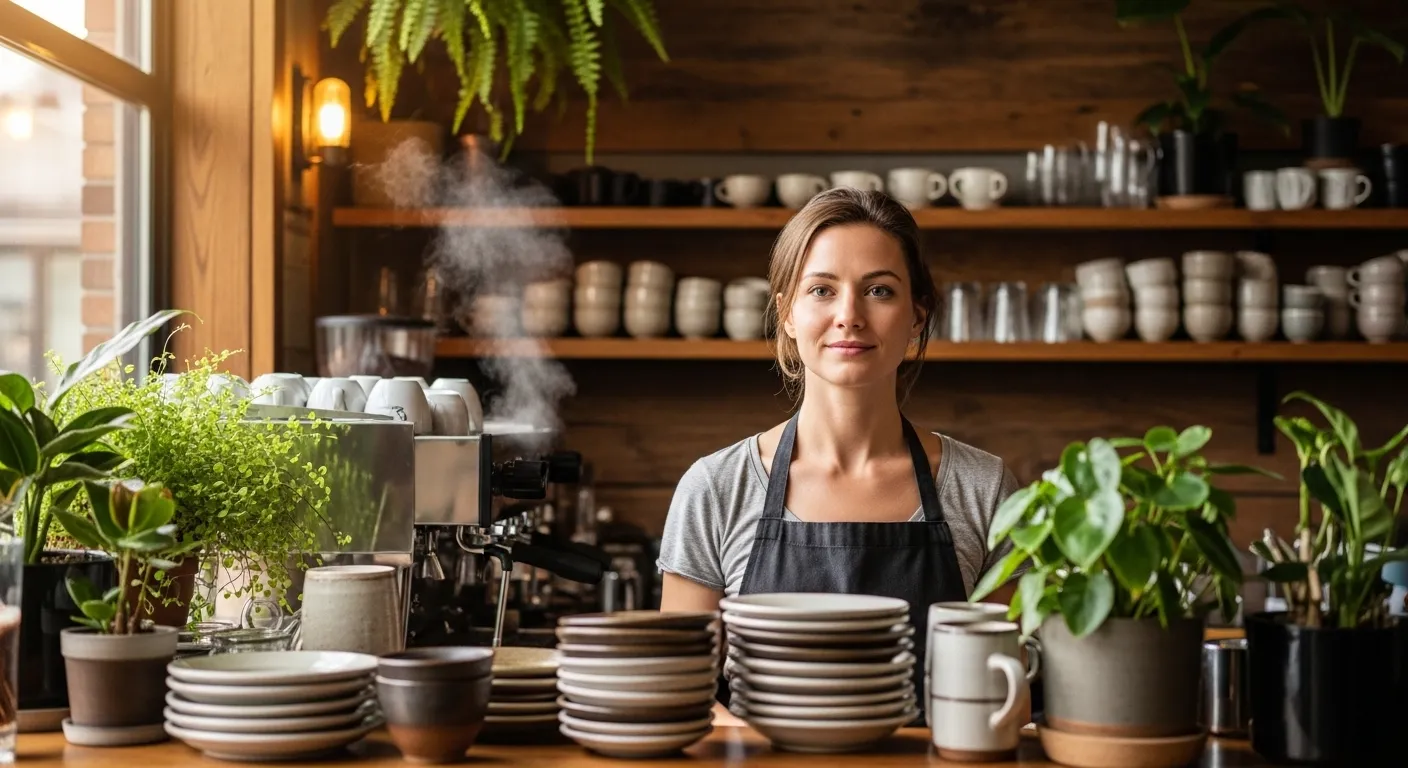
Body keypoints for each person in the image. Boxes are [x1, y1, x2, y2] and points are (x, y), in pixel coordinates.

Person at [655, 187, 1023, 713]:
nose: (849, 315)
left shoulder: (983, 489)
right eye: (822, 290)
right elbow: (679, 695)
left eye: (879, 291)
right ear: (786, 313)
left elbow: (1002, 696)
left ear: (917, 315)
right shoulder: (715, 488)